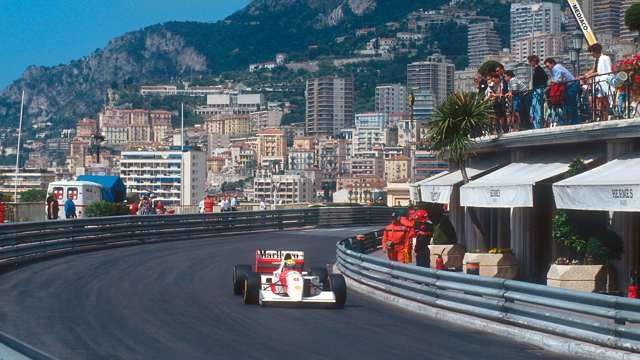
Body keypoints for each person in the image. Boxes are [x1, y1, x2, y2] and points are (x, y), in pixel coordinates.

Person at [580, 43, 613, 122]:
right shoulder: (597, 60)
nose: (591, 54)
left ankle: (606, 116)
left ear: (595, 51)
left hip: (603, 81)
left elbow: (601, 71)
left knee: (604, 100)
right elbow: (594, 69)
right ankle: (599, 116)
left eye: (591, 52)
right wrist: (585, 75)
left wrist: (588, 76)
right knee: (598, 100)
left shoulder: (604, 58)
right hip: (598, 82)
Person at [544, 57, 579, 125]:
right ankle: (573, 121)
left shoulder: (555, 68)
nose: (547, 68)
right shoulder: (556, 68)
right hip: (571, 84)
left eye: (548, 66)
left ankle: (573, 122)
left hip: (571, 85)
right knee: (571, 104)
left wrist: (551, 82)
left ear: (552, 63)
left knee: (570, 104)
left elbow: (558, 79)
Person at [528, 55, 548, 129]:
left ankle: (538, 124)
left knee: (537, 107)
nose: (529, 64)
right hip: (538, 90)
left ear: (533, 62)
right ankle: (537, 124)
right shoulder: (538, 69)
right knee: (536, 107)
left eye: (529, 62)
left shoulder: (538, 70)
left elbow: (544, 79)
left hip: (538, 90)